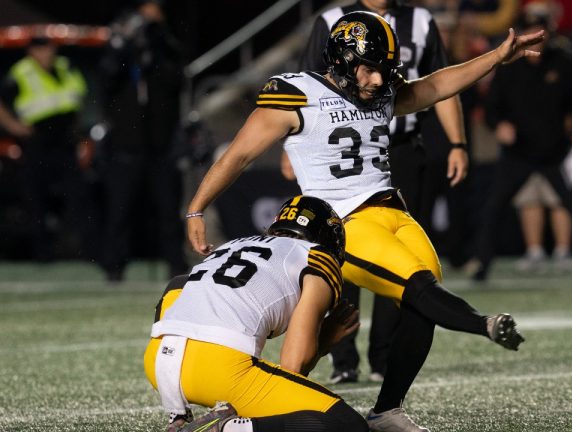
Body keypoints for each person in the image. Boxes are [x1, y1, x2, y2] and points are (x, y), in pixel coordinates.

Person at [186, 11, 539, 431]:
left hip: (394, 212)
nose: (376, 81)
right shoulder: (296, 93)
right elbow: (238, 155)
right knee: (420, 288)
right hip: (343, 222)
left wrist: (495, 58)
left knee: (420, 304)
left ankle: (387, 410)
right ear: (341, 59)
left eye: (383, 72)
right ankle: (484, 324)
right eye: (370, 69)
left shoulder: (382, 90)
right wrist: (197, 206)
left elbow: (437, 85)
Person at [298, 0, 469, 385]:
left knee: (400, 255)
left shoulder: (420, 20)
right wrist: (291, 147)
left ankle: (383, 357)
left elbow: (440, 83)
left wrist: (457, 142)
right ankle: (344, 358)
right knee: (340, 252)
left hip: (402, 148)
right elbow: (308, 85)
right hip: (339, 151)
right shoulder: (331, 19)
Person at [144, 195, 368, 432]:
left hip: (157, 362)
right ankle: (228, 429)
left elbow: (177, 284)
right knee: (348, 425)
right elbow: (293, 366)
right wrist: (322, 344)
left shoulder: (233, 244)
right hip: (217, 368)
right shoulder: (318, 257)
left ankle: (177, 415)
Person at [471, 9, 572, 282]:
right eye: (529, 31)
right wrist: (500, 126)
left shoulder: (565, 63)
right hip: (518, 152)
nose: (535, 38)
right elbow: (492, 107)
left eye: (540, 31)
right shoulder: (509, 68)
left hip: (555, 152)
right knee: (493, 209)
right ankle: (482, 266)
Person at [99, 0, 187, 281]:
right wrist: (126, 44)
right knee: (120, 209)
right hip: (127, 142)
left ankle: (176, 263)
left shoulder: (164, 42)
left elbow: (176, 78)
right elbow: (108, 76)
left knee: (167, 209)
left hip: (160, 143)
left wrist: (156, 41)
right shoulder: (122, 43)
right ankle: (114, 265)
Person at [0, 36, 95, 261]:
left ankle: (84, 251)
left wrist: (79, 132)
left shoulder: (65, 67)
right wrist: (13, 126)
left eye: (48, 48)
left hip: (65, 143)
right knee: (35, 199)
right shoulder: (21, 72)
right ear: (31, 52)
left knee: (78, 197)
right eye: (39, 49)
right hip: (37, 143)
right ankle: (42, 254)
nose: (45, 54)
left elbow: (78, 98)